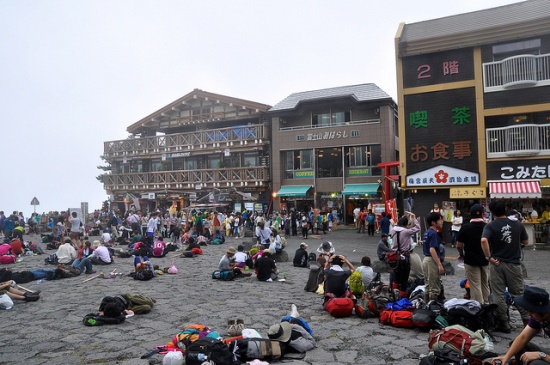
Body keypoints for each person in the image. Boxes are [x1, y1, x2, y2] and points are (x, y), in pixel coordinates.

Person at [481, 199, 529, 333]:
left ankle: (503, 323)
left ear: (492, 212)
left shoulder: (490, 226)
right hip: (514, 264)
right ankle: (527, 321)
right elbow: (526, 240)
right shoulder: (517, 224)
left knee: (498, 294)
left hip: (497, 264)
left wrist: (489, 257)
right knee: (518, 293)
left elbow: (484, 240)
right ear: (505, 210)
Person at [492, 286, 550, 365]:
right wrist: (506, 357)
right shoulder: (538, 316)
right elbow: (523, 337)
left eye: (531, 311)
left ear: (542, 310)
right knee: (517, 346)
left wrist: (541, 355)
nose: (529, 314)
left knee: (536, 363)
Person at [456, 204, 489, 305]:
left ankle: (479, 306)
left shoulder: (465, 227)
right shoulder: (487, 227)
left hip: (470, 259)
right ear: (483, 215)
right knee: (485, 283)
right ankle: (487, 304)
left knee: (475, 285)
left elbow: (459, 245)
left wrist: (461, 254)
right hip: (485, 259)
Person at [390, 213, 420, 297]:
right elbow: (418, 228)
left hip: (395, 256)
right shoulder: (406, 232)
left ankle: (394, 293)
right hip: (405, 256)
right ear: (405, 224)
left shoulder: (392, 230)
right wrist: (414, 219)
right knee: (404, 277)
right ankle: (403, 294)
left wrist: (403, 218)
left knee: (396, 276)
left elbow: (397, 225)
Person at [422, 212, 444, 303]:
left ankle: (426, 306)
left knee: (428, 285)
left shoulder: (427, 232)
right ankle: (433, 309)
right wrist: (439, 264)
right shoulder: (434, 234)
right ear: (433, 222)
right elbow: (432, 250)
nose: (442, 222)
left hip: (425, 260)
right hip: (432, 260)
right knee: (434, 286)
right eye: (439, 220)